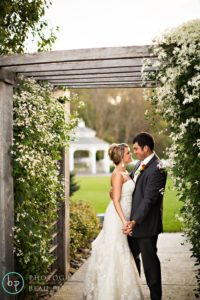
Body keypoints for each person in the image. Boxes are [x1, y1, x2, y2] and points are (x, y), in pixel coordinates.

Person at [83, 143, 144, 300]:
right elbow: (116, 200)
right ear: (121, 157)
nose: (131, 154)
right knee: (114, 250)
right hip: (117, 217)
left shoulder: (125, 172)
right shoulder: (117, 174)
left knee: (122, 250)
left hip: (126, 214)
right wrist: (124, 221)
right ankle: (108, 292)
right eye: (128, 153)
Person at [124, 132, 167, 300]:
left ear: (146, 148)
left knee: (150, 266)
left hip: (146, 225)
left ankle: (156, 297)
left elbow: (149, 199)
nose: (134, 152)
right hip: (132, 225)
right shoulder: (139, 164)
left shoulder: (158, 168)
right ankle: (133, 294)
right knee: (131, 261)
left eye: (136, 149)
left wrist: (134, 221)